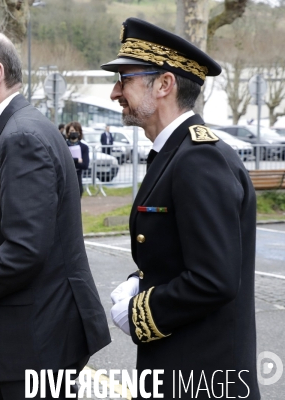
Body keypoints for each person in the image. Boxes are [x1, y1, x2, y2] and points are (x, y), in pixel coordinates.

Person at [0, 31, 111, 400]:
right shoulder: (6, 133)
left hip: (35, 345)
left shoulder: (21, 137)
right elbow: (15, 232)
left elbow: (25, 250)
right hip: (16, 345)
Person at [102, 18, 259, 398]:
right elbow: (178, 252)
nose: (114, 92)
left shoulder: (198, 160)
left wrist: (142, 315)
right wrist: (140, 281)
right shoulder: (174, 155)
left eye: (125, 79)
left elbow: (214, 279)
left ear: (164, 84)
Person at [65, 121, 90, 197]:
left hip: (77, 178)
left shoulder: (84, 147)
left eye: (76, 131)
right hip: (65, 178)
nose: (74, 132)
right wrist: (77, 160)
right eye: (72, 131)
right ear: (68, 132)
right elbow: (64, 162)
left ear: (79, 133)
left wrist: (71, 160)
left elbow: (85, 165)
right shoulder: (64, 145)